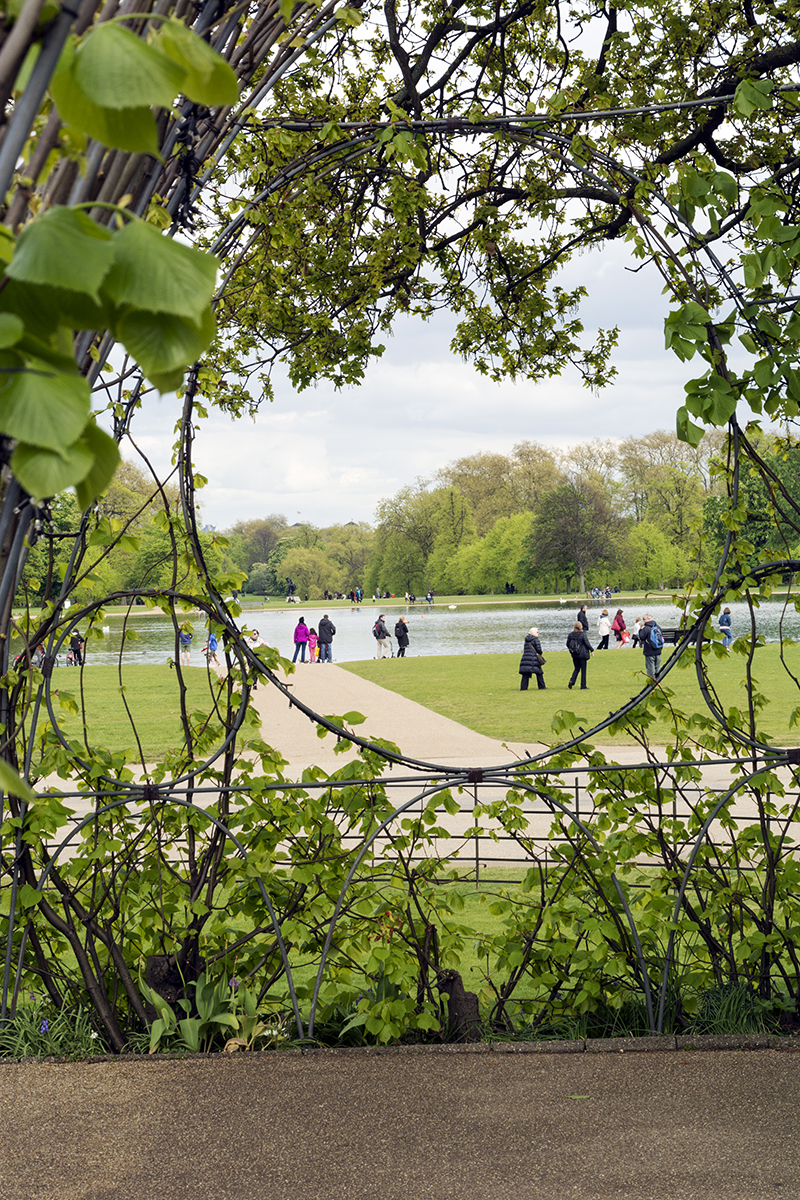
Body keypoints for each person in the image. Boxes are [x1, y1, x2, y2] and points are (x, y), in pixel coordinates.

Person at [566, 621, 593, 689]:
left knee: (577, 668)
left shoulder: (571, 634)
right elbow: (587, 643)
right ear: (581, 627)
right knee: (583, 670)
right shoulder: (583, 634)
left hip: (574, 654)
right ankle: (583, 685)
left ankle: (572, 680)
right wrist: (591, 650)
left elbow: (567, 643)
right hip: (582, 654)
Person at [640, 613, 663, 679]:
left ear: (649, 619)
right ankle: (658, 680)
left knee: (650, 668)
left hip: (649, 651)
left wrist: (641, 629)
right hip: (658, 650)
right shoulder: (658, 627)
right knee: (657, 667)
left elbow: (641, 637)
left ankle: (652, 681)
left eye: (644, 619)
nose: (643, 621)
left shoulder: (646, 628)